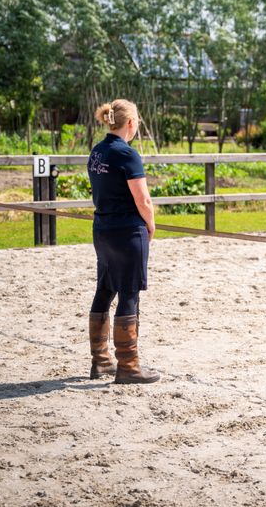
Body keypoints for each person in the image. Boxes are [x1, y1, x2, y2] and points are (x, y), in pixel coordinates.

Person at [87, 99, 160, 383]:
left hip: (103, 228)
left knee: (105, 290)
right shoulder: (127, 154)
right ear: (130, 123)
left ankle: (101, 361)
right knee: (129, 293)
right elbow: (142, 199)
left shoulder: (97, 151)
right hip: (127, 230)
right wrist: (151, 225)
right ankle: (128, 365)